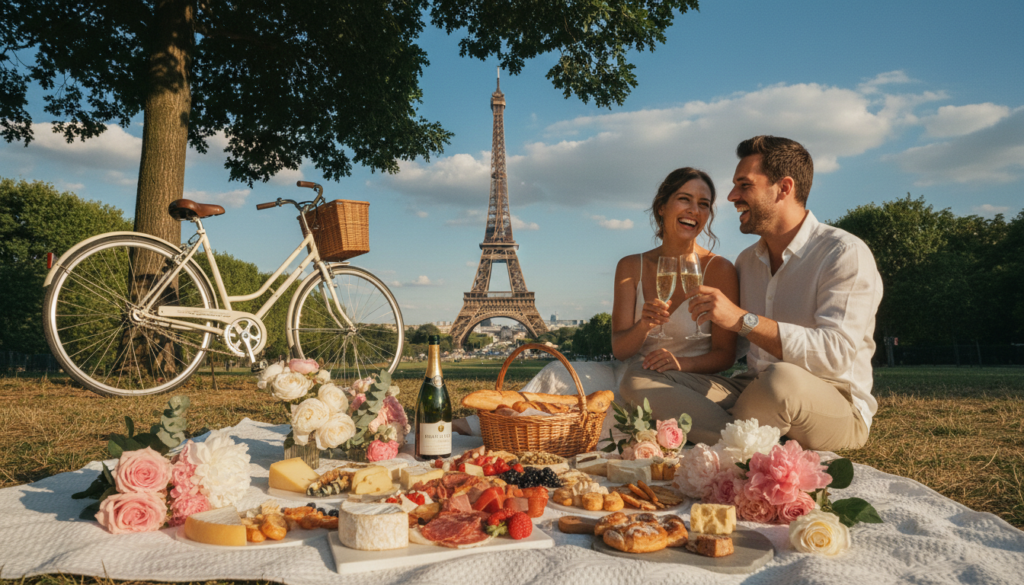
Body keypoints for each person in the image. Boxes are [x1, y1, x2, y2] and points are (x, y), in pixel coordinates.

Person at [683, 135, 883, 451]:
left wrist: (742, 319)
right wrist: (668, 343)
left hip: (830, 397)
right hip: (752, 388)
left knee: (779, 382)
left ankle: (723, 440)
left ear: (784, 188)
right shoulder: (747, 261)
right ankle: (746, 439)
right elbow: (732, 349)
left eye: (744, 185)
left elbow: (834, 355)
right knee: (641, 380)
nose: (733, 196)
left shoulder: (844, 253)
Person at [613, 168, 741, 445]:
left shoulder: (719, 269)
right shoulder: (630, 266)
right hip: (646, 374)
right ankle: (739, 440)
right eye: (685, 199)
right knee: (635, 376)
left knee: (635, 381)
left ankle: (741, 444)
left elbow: (725, 355)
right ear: (662, 207)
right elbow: (620, 349)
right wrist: (644, 326)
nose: (694, 210)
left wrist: (681, 364)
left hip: (693, 379)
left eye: (703, 204)